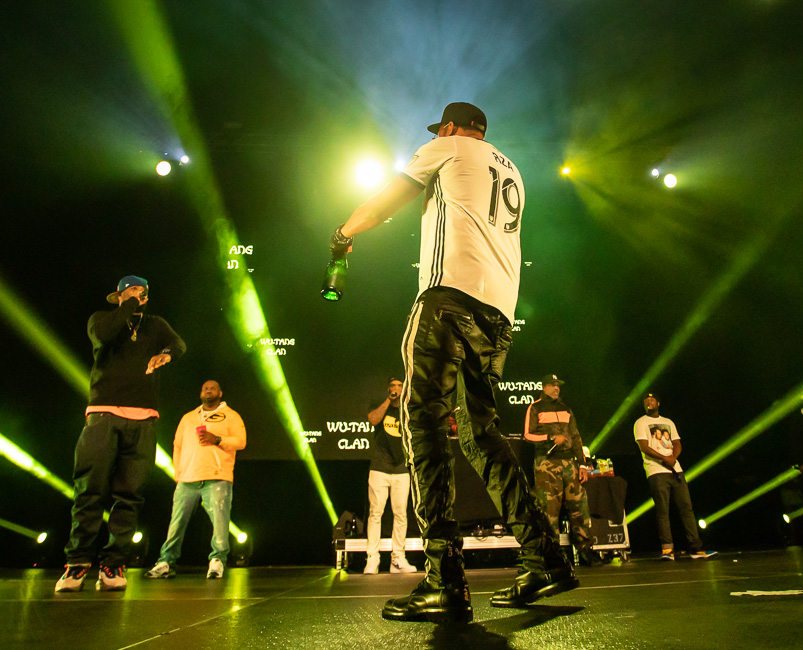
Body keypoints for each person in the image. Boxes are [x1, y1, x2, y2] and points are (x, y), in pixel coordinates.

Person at [329, 102, 576, 623]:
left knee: (421, 421)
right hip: (498, 314)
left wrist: (344, 233)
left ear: (447, 128)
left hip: (448, 300)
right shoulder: (511, 168)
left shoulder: (446, 146)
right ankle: (545, 558)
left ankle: (445, 581)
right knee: (481, 435)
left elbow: (387, 200)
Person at [55, 275, 186, 592]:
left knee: (130, 495)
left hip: (143, 419)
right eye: (128, 292)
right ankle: (77, 563)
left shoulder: (155, 324)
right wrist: (125, 306)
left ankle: (113, 563)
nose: (135, 295)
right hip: (103, 414)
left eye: (140, 292)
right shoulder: (101, 319)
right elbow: (104, 336)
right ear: (118, 296)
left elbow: (179, 345)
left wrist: (166, 354)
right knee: (89, 490)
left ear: (147, 297)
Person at [146, 380, 246, 579]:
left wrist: (217, 439)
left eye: (213, 388)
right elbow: (177, 445)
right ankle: (166, 561)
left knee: (220, 523)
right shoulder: (189, 417)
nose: (208, 390)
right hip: (187, 479)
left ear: (220, 393)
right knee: (176, 524)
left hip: (217, 477)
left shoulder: (231, 415)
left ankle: (217, 561)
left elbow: (241, 441)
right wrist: (178, 472)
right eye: (205, 388)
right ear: (201, 393)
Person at [524, 374, 602, 566]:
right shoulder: (535, 407)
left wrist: (582, 464)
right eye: (552, 385)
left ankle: (585, 550)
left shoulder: (566, 408)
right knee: (549, 510)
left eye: (558, 385)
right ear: (544, 388)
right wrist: (550, 437)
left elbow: (575, 436)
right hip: (547, 464)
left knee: (579, 506)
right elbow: (527, 435)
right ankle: (552, 553)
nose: (556, 388)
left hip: (569, 463)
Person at [634, 393, 717, 561]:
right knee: (663, 510)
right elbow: (643, 446)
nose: (649, 402)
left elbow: (677, 443)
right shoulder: (641, 422)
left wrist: (673, 458)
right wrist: (664, 458)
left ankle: (696, 548)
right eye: (646, 401)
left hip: (675, 470)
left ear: (658, 403)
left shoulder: (668, 422)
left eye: (652, 400)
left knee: (686, 507)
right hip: (656, 470)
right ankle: (667, 549)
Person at [363, 377, 418, 575]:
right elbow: (373, 420)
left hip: (401, 468)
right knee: (375, 513)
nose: (396, 388)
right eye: (393, 386)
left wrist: (402, 403)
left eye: (399, 386)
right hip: (380, 467)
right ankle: (372, 558)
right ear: (388, 389)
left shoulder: (407, 410)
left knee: (401, 514)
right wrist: (388, 400)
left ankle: (398, 559)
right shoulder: (381, 405)